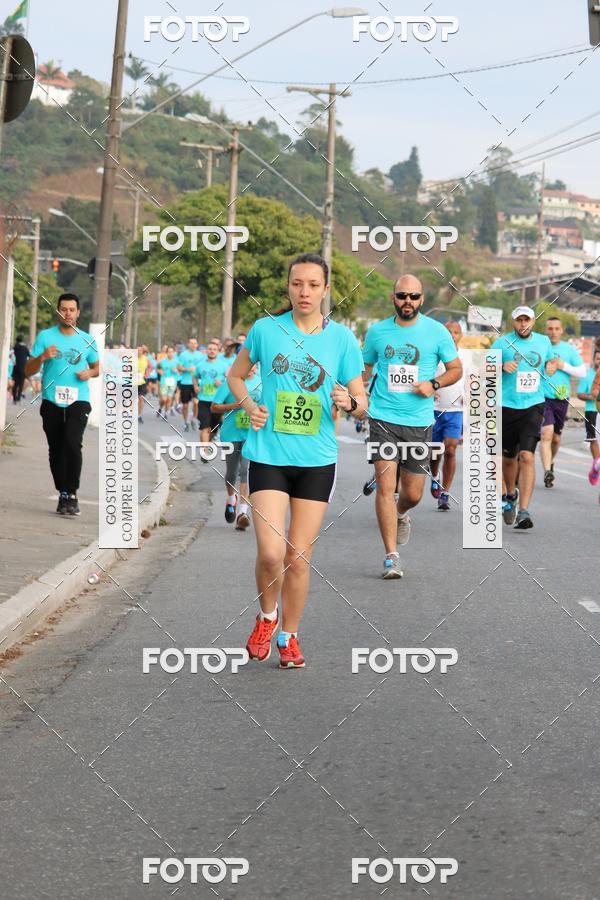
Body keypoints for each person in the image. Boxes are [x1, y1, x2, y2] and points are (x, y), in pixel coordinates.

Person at [227, 252, 367, 668]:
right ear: (288, 287)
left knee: (298, 557)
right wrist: (249, 406)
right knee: (271, 554)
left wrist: (350, 401)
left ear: (326, 290)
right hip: (268, 455)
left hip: (316, 461)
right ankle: (266, 617)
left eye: (313, 285)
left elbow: (363, 403)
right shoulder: (266, 330)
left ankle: (289, 636)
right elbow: (235, 375)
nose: (304, 292)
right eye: (297, 284)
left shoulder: (342, 340)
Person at [362, 274, 462, 578]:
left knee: (413, 494)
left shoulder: (437, 332)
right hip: (382, 419)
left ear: (422, 299)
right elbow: (364, 368)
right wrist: (352, 395)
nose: (408, 301)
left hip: (418, 423)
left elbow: (455, 369)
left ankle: (401, 512)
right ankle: (391, 556)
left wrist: (434, 383)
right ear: (393, 297)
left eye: (414, 296)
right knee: (385, 486)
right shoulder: (377, 332)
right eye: (402, 295)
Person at [24, 293, 99, 516]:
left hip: (79, 400)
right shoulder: (45, 337)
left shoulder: (87, 339)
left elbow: (97, 368)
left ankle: (72, 493)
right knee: (56, 448)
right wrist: (42, 357)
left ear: (78, 313)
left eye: (71, 310)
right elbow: (28, 370)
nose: (67, 313)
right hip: (51, 400)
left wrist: (89, 373)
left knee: (72, 443)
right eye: (63, 309)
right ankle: (63, 493)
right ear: (58, 311)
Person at [492, 306, 555, 529]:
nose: (523, 324)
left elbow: (550, 361)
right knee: (509, 459)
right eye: (519, 320)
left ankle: (524, 511)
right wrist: (501, 366)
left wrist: (551, 367)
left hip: (533, 405)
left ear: (533, 322)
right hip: (506, 406)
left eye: (526, 320)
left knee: (527, 456)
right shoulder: (502, 343)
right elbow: (483, 369)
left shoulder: (544, 342)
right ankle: (511, 494)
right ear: (513, 322)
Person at [211, 355, 262, 529]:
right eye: (248, 364)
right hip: (231, 434)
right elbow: (214, 406)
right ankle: (231, 498)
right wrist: (234, 406)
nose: (251, 368)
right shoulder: (230, 383)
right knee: (232, 473)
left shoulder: (261, 383)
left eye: (253, 365)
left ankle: (242, 512)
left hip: (252, 434)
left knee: (245, 470)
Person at [539, 317, 585, 487]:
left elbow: (582, 372)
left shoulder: (569, 349)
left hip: (561, 399)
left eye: (557, 329)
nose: (553, 332)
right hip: (543, 397)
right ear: (546, 330)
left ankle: (550, 463)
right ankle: (547, 471)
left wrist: (563, 366)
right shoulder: (540, 347)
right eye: (550, 328)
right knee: (546, 433)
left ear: (562, 330)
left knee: (556, 439)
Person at [429, 320, 470, 511]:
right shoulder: (434, 355)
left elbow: (471, 379)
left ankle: (445, 493)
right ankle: (434, 475)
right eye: (449, 332)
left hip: (455, 411)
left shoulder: (466, 356)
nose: (452, 335)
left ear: (461, 335)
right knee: (435, 451)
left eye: (456, 332)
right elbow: (425, 376)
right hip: (434, 410)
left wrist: (469, 395)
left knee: (451, 449)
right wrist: (431, 390)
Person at [194, 340, 229, 456]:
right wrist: (196, 386)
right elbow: (195, 376)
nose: (212, 351)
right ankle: (204, 452)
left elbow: (229, 380)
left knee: (214, 428)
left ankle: (208, 443)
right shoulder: (200, 365)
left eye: (214, 349)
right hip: (203, 400)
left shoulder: (223, 366)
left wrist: (222, 383)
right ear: (206, 351)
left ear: (218, 351)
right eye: (210, 349)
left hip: (217, 401)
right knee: (204, 426)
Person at [577, 348, 600, 486]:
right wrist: (591, 396)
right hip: (592, 411)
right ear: (594, 360)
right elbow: (580, 394)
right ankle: (596, 463)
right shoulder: (588, 375)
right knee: (593, 439)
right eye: (598, 358)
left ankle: (597, 465)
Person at [176, 337, 203, 431]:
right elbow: (179, 367)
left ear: (197, 345)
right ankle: (185, 422)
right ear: (188, 344)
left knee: (196, 403)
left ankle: (194, 419)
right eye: (191, 343)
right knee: (185, 405)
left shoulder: (200, 355)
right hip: (185, 382)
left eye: (195, 343)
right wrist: (188, 369)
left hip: (197, 383)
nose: (193, 345)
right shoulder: (183, 355)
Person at [157, 346, 180, 417]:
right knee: (164, 399)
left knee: (169, 399)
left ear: (174, 353)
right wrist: (160, 371)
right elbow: (157, 368)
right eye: (169, 352)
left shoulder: (177, 362)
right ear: (166, 353)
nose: (170, 353)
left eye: (172, 352)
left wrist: (176, 370)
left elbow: (181, 371)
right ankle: (160, 408)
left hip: (173, 382)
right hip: (164, 381)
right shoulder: (162, 361)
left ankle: (166, 413)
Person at [12, 334, 29, 403]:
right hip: (23, 368)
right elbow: (29, 354)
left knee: (15, 383)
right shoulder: (25, 348)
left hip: (16, 367)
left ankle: (14, 398)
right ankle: (18, 397)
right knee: (21, 383)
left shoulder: (15, 347)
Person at [136, 344, 149, 423]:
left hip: (142, 381)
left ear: (142, 351)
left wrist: (147, 373)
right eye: (137, 350)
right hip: (132, 382)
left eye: (140, 350)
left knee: (141, 398)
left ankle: (139, 416)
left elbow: (149, 367)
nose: (139, 351)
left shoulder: (145, 358)